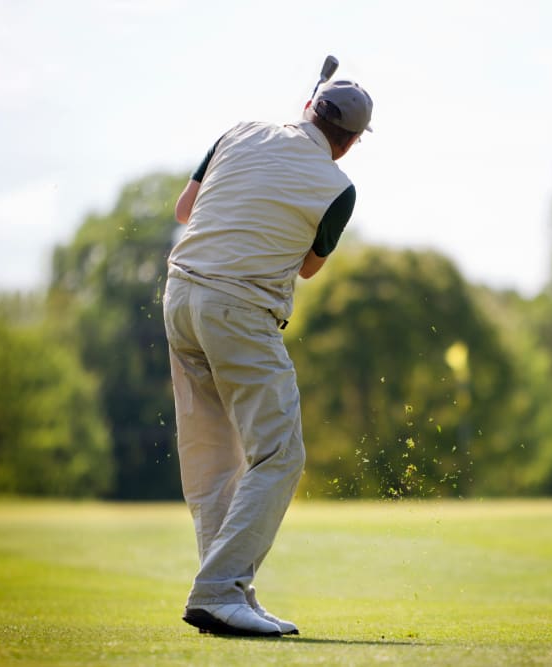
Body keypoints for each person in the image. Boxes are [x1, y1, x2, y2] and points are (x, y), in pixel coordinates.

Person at [162, 79, 373, 637]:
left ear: (307, 106)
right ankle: (218, 590)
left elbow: (185, 208)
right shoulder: (339, 187)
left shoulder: (239, 131)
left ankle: (229, 595)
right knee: (278, 455)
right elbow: (307, 267)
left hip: (179, 299)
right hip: (238, 311)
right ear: (351, 141)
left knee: (212, 460)